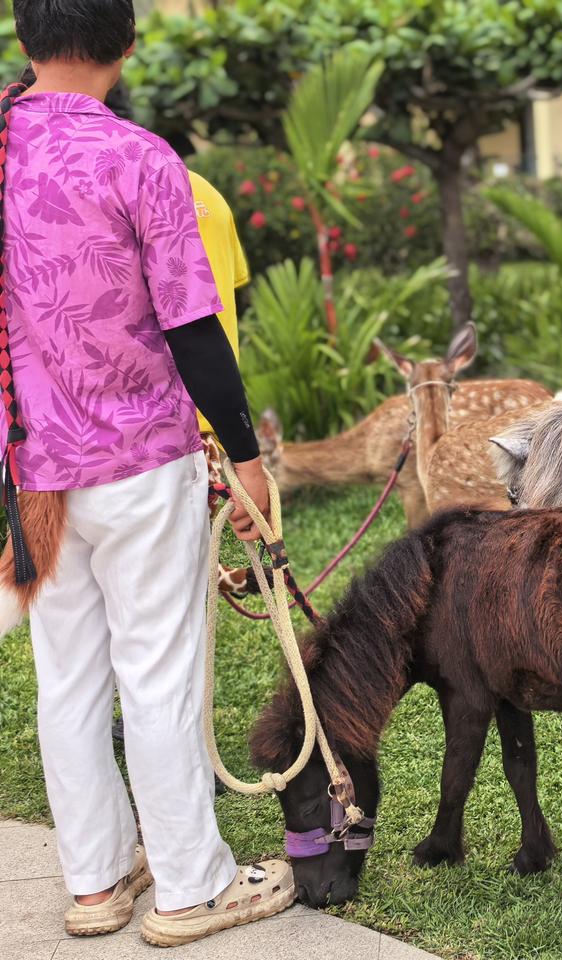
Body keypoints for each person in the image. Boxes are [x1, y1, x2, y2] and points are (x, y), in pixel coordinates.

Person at [3, 0, 292, 946]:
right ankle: (190, 888)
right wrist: (246, 458)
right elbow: (194, 328)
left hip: (33, 473)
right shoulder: (139, 158)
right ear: (127, 46)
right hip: (140, 460)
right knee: (157, 673)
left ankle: (95, 883)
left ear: (24, 39)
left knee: (68, 681)